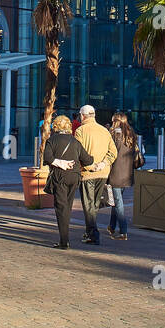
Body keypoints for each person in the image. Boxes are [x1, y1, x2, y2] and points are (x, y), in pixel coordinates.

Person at [42, 114, 93, 249]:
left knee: (61, 208)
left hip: (60, 177)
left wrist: (60, 163)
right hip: (74, 176)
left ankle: (64, 242)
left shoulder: (52, 140)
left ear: (55, 126)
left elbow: (47, 158)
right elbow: (88, 160)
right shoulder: (75, 141)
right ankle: (65, 239)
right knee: (67, 206)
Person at [74, 104, 117, 245]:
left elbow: (78, 152)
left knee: (88, 205)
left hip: (87, 173)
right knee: (95, 204)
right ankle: (91, 232)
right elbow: (113, 152)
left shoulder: (80, 131)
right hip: (102, 173)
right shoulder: (104, 131)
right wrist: (104, 164)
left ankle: (93, 233)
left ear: (82, 116)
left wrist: (90, 166)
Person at [106, 111, 143, 240]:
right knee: (117, 199)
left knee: (118, 201)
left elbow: (110, 153)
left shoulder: (113, 134)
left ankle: (123, 231)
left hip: (115, 172)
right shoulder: (131, 134)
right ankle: (111, 226)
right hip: (127, 172)